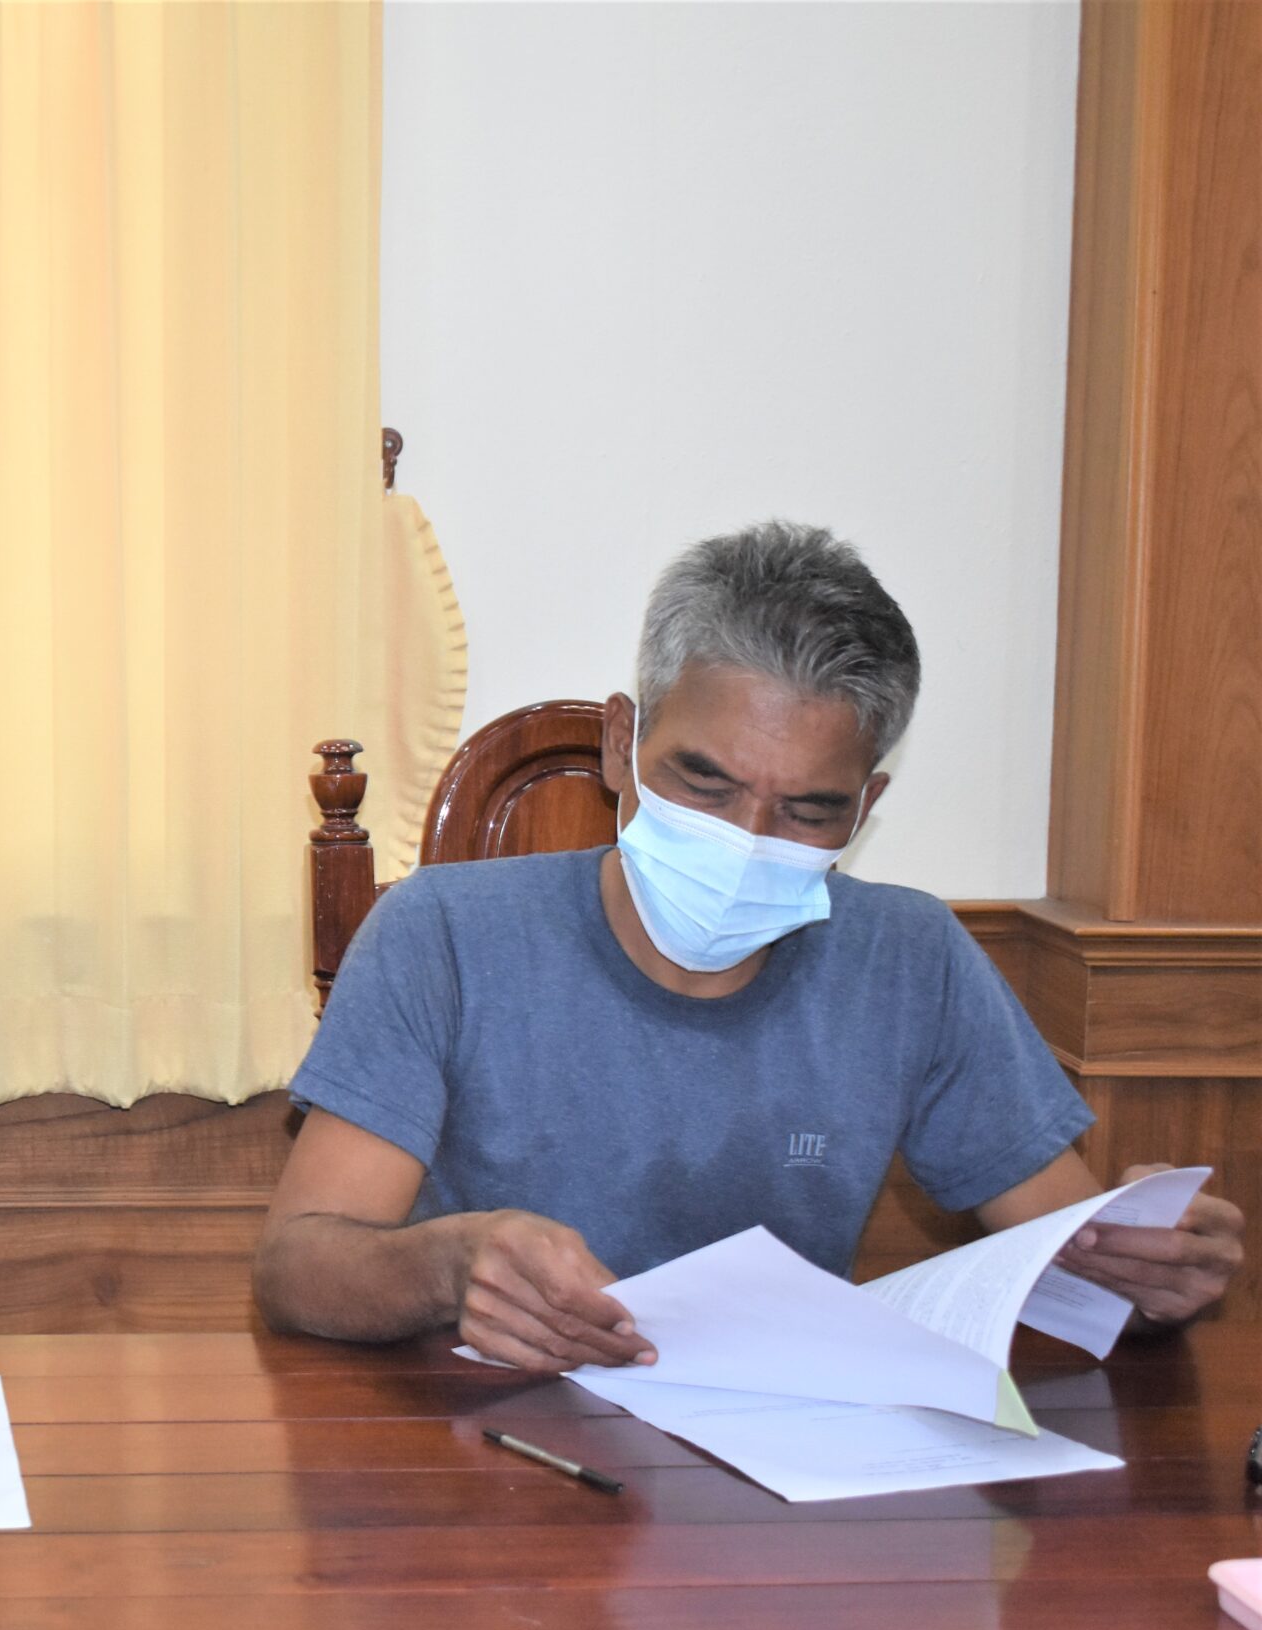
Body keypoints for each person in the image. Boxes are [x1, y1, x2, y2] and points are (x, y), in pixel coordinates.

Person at [253, 521, 1243, 1366]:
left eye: (807, 811)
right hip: (489, 1451)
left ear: (866, 807)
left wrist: (1152, 1268)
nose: (746, 839)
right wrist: (451, 1264)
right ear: (621, 743)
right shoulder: (442, 933)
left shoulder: (908, 959)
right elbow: (298, 1268)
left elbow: (1077, 1262)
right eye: (705, 784)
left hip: (778, 1463)